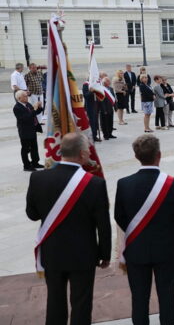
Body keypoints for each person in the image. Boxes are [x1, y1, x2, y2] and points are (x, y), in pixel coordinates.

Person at [26, 132, 111, 325]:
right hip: (83, 254)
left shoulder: (38, 179)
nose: (90, 154)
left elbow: (32, 214)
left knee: (54, 302)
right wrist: (104, 254)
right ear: (81, 154)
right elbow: (103, 225)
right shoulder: (95, 184)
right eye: (88, 151)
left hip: (52, 252)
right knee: (81, 303)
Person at [115, 134, 174, 325]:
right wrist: (168, 235)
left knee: (139, 298)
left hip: (136, 250)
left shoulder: (124, 184)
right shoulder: (173, 184)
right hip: (166, 249)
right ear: (159, 155)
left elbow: (119, 217)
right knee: (167, 296)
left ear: (136, 156)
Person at [14, 90, 43, 171]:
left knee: (34, 147)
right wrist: (34, 109)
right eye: (25, 96)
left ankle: (35, 162)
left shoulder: (28, 104)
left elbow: (35, 113)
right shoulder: (17, 108)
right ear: (19, 98)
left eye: (27, 96)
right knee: (26, 149)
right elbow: (25, 118)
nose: (27, 97)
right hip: (25, 131)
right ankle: (26, 165)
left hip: (32, 129)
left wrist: (39, 107)